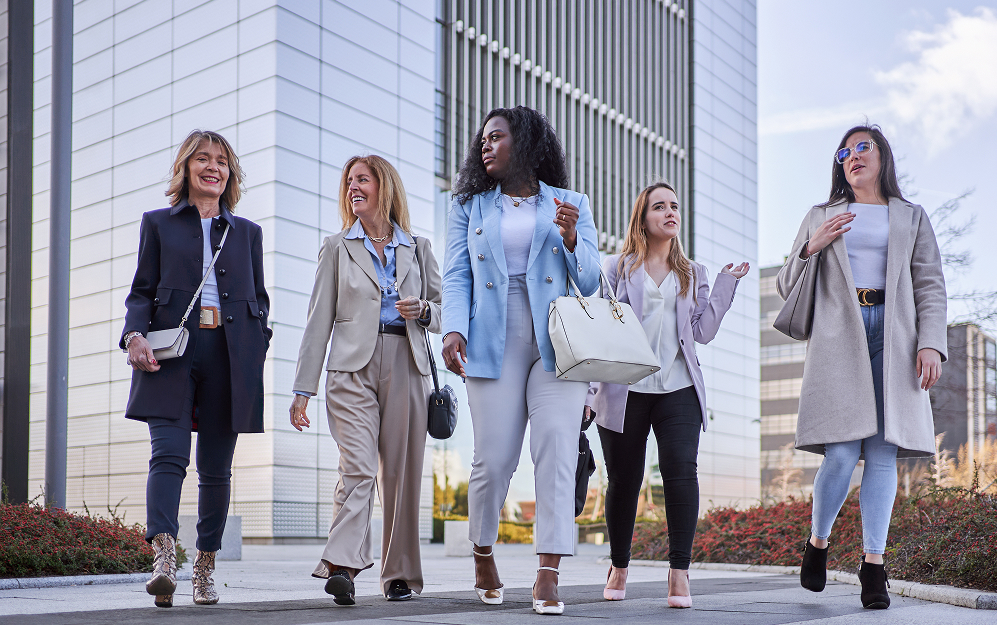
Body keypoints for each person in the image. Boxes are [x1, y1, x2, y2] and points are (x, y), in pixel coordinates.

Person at [777, 125, 946, 609]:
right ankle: (818, 542)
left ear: (882, 157)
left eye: (862, 147)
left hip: (896, 339)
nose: (852, 156)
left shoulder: (911, 217)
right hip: (839, 335)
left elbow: (930, 283)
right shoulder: (821, 214)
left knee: (883, 453)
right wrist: (814, 244)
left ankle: (874, 564)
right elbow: (786, 284)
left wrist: (931, 343)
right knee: (841, 454)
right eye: (844, 151)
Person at [441, 106, 601, 615]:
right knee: (494, 458)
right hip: (493, 333)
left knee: (557, 448)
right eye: (482, 139)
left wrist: (573, 239)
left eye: (497, 137)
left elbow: (593, 281)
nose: (486, 146)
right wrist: (452, 328)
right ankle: (483, 550)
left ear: (525, 142)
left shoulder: (571, 203)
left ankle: (548, 571)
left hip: (559, 338)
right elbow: (456, 273)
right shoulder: (468, 205)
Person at [121, 130, 271, 608]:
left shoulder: (247, 232)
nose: (214, 167)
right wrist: (134, 336)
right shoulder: (158, 224)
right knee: (167, 455)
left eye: (222, 161)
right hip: (170, 355)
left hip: (229, 357)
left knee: (216, 470)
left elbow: (260, 302)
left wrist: (258, 344)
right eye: (203, 158)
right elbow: (141, 291)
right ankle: (164, 557)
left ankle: (204, 568)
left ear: (231, 174)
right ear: (185, 168)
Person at [586, 182, 748, 608]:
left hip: (678, 387)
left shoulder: (693, 273)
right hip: (625, 390)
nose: (670, 212)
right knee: (624, 481)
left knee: (681, 474)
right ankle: (619, 564)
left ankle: (679, 572)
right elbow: (599, 334)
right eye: (660, 206)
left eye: (674, 206)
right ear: (643, 217)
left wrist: (727, 284)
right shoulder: (615, 268)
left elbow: (702, 332)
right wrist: (587, 392)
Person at [289, 155, 442, 605]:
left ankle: (398, 575)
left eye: (363, 179)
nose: (354, 187)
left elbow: (446, 311)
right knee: (357, 466)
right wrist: (303, 389)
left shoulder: (418, 246)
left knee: (401, 475)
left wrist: (426, 311)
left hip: (406, 362)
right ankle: (342, 565)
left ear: (385, 187)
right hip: (350, 368)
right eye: (349, 181)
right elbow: (318, 319)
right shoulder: (336, 246)